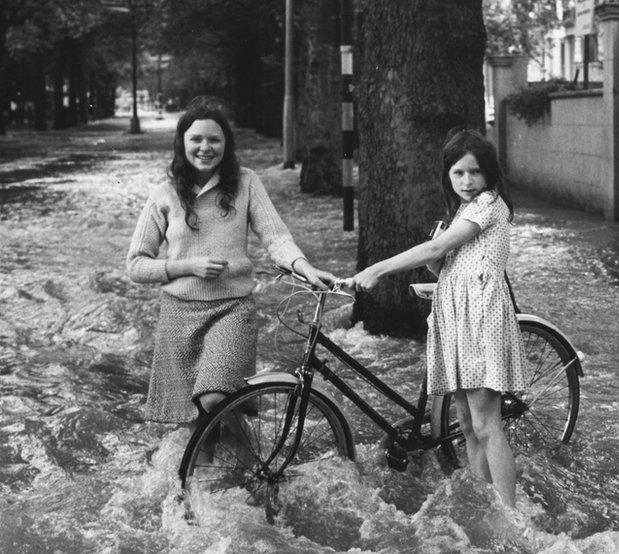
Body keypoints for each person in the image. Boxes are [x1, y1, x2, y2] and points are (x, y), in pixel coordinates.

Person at [342, 129, 526, 507]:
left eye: (474, 172)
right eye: (458, 173)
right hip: (457, 314)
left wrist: (378, 269)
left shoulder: (488, 204)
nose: (467, 182)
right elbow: (443, 263)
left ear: (489, 174)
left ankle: (511, 516)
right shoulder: (463, 210)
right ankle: (483, 499)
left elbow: (439, 247)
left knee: (486, 422)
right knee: (466, 420)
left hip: (480, 317)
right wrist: (433, 256)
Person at [126, 97, 335, 429]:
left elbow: (276, 236)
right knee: (192, 420)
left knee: (215, 399)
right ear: (182, 143)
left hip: (233, 309)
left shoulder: (247, 182)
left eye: (214, 139)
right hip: (178, 314)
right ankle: (217, 476)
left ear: (226, 144)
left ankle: (236, 472)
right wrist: (185, 266)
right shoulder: (164, 194)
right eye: (196, 139)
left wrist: (304, 267)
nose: (205, 147)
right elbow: (136, 265)